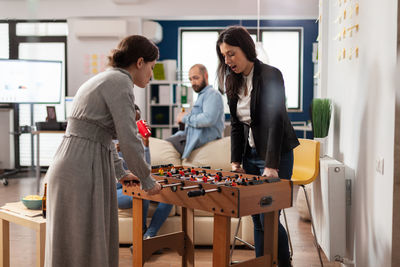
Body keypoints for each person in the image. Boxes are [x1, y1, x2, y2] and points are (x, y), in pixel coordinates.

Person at [44, 35, 162, 267]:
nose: (151, 74)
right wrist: (147, 180)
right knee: (81, 242)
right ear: (140, 62)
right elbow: (129, 140)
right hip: (80, 166)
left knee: (80, 242)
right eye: (152, 67)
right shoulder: (120, 82)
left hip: (77, 160)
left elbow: (102, 134)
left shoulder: (108, 78)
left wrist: (120, 172)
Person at [216, 26, 300, 267]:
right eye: (224, 55)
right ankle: (264, 263)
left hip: (276, 155)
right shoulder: (232, 80)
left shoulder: (271, 75)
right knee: (257, 218)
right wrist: (235, 162)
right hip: (250, 155)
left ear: (246, 49)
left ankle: (283, 263)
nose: (227, 60)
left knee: (269, 216)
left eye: (231, 53)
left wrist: (271, 166)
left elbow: (275, 120)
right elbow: (235, 124)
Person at [115, 104, 173, 242]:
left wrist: (146, 144)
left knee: (170, 195)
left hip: (138, 185)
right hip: (117, 190)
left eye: (138, 120)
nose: (135, 125)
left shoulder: (137, 142)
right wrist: (115, 151)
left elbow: (146, 169)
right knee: (143, 194)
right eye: (133, 120)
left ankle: (149, 235)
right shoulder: (112, 138)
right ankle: (141, 236)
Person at [167, 64, 225, 159]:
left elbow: (208, 119)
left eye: (196, 78)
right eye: (190, 79)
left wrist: (184, 118)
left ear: (205, 76)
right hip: (189, 136)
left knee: (161, 146)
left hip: (198, 139)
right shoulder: (202, 96)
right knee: (164, 143)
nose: (193, 83)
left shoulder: (212, 94)